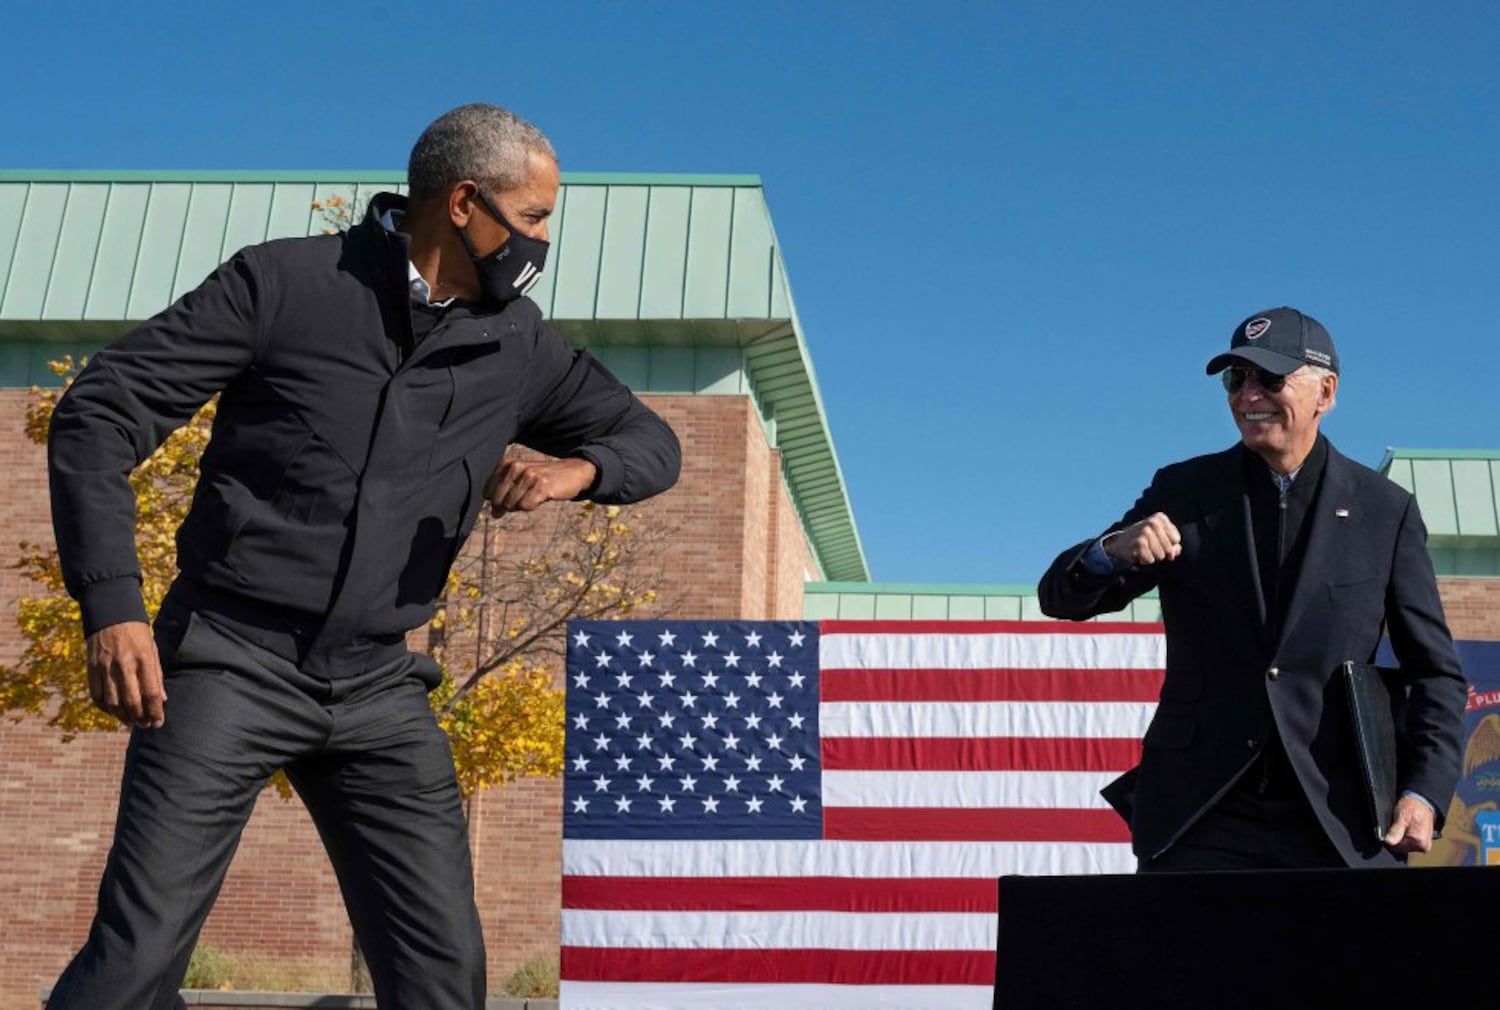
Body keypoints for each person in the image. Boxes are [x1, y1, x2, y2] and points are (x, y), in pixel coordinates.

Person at [45, 103, 680, 1009]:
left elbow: (652, 443)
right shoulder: (284, 285)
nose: (542, 239)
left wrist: (577, 469)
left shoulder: (517, 342)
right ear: (465, 202)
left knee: (443, 979)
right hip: (231, 659)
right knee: (134, 967)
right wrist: (112, 603)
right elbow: (97, 414)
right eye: (534, 217)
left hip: (381, 688)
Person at [1037, 306, 1465, 871]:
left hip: (1339, 816)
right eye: (1236, 379)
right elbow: (1060, 598)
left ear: (1326, 392)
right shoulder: (1185, 490)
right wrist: (1111, 549)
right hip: (1202, 810)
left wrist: (1423, 792)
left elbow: (1434, 672)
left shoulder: (1386, 511)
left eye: (1270, 378)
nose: (1248, 394)